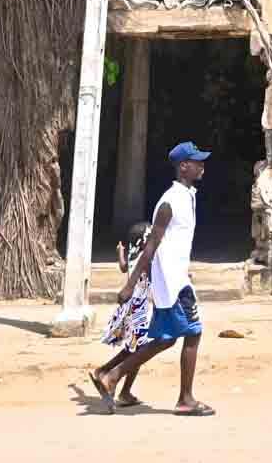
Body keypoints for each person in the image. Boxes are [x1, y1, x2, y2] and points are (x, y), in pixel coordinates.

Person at [95, 142, 214, 417]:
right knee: (191, 333)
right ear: (184, 166)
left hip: (177, 278)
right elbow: (150, 246)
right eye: (197, 162)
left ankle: (111, 376)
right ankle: (183, 399)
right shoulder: (170, 202)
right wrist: (129, 283)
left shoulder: (187, 195)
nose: (202, 165)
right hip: (172, 283)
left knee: (166, 338)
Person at [89, 220, 153, 410]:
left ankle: (114, 380)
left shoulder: (134, 257)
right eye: (150, 237)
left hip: (131, 308)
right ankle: (109, 375)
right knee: (139, 352)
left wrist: (120, 253)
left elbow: (123, 267)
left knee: (135, 351)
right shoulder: (146, 258)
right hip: (139, 309)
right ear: (143, 241)